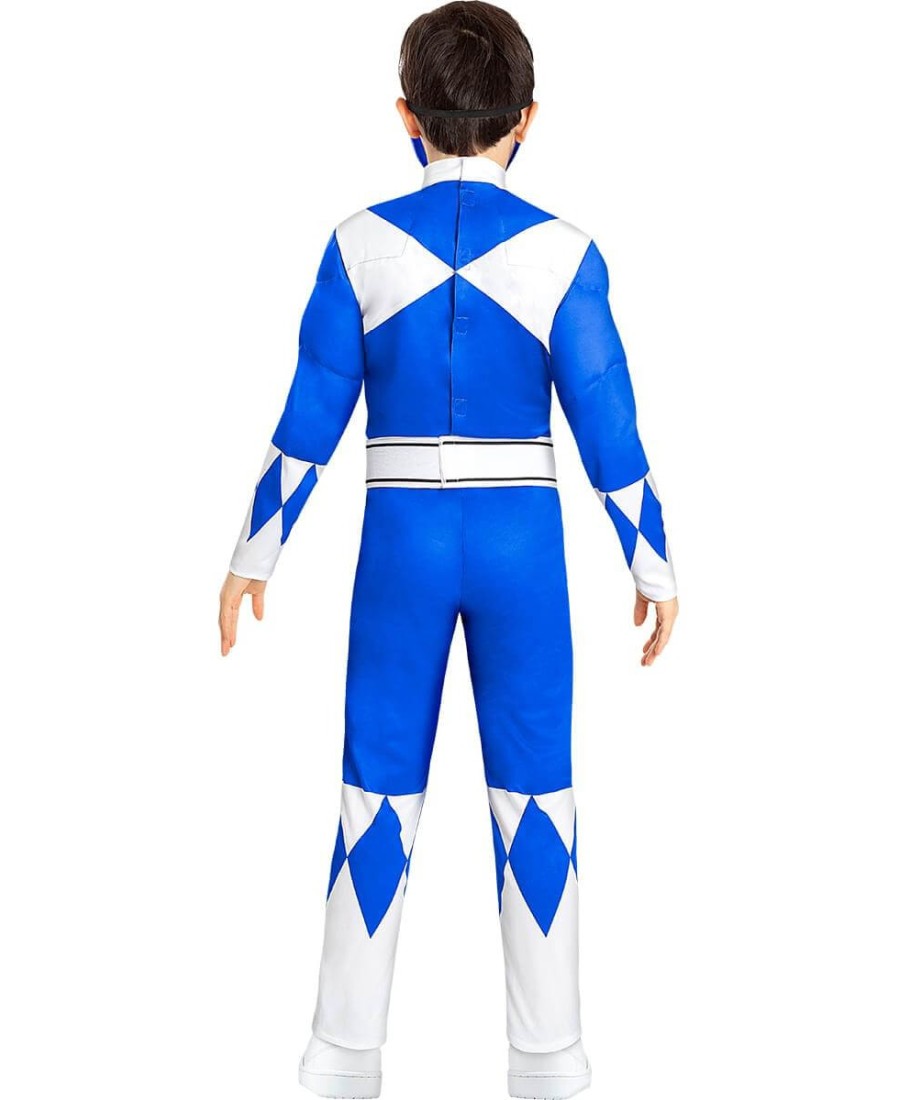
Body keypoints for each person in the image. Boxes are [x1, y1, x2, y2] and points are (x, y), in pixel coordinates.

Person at [218, 3, 679, 1096]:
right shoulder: (568, 252)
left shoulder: (356, 244)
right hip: (523, 549)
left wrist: (253, 554)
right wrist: (652, 561)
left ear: (404, 116)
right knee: (538, 796)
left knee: (373, 795)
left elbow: (311, 415)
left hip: (400, 548)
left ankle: (341, 1056)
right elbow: (609, 424)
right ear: (529, 118)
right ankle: (550, 1060)